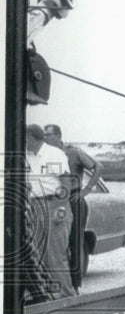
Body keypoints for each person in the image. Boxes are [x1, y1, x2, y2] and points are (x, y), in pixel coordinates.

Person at [42, 125, 102, 291]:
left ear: (58, 136)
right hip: (56, 201)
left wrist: (87, 189)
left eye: (48, 135)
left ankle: (74, 287)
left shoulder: (73, 152)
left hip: (74, 199)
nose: (45, 138)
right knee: (57, 244)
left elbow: (99, 167)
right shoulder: (46, 155)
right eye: (44, 135)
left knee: (75, 243)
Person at [25, 124, 74, 299]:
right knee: (37, 254)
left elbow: (66, 182)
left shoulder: (53, 154)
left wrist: (61, 209)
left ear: (32, 137)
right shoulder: (28, 156)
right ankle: (49, 297)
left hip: (54, 204)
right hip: (34, 206)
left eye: (25, 138)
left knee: (55, 255)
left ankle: (66, 297)